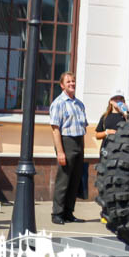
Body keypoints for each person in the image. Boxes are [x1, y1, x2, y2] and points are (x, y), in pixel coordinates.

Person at [49, 72, 87, 225]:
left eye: (73, 81)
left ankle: (69, 212)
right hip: (66, 142)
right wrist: (60, 151)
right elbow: (55, 129)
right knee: (63, 180)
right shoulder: (58, 103)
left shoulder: (79, 104)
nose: (72, 83)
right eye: (68, 81)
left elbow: (82, 126)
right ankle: (57, 213)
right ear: (62, 85)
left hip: (79, 142)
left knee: (75, 180)